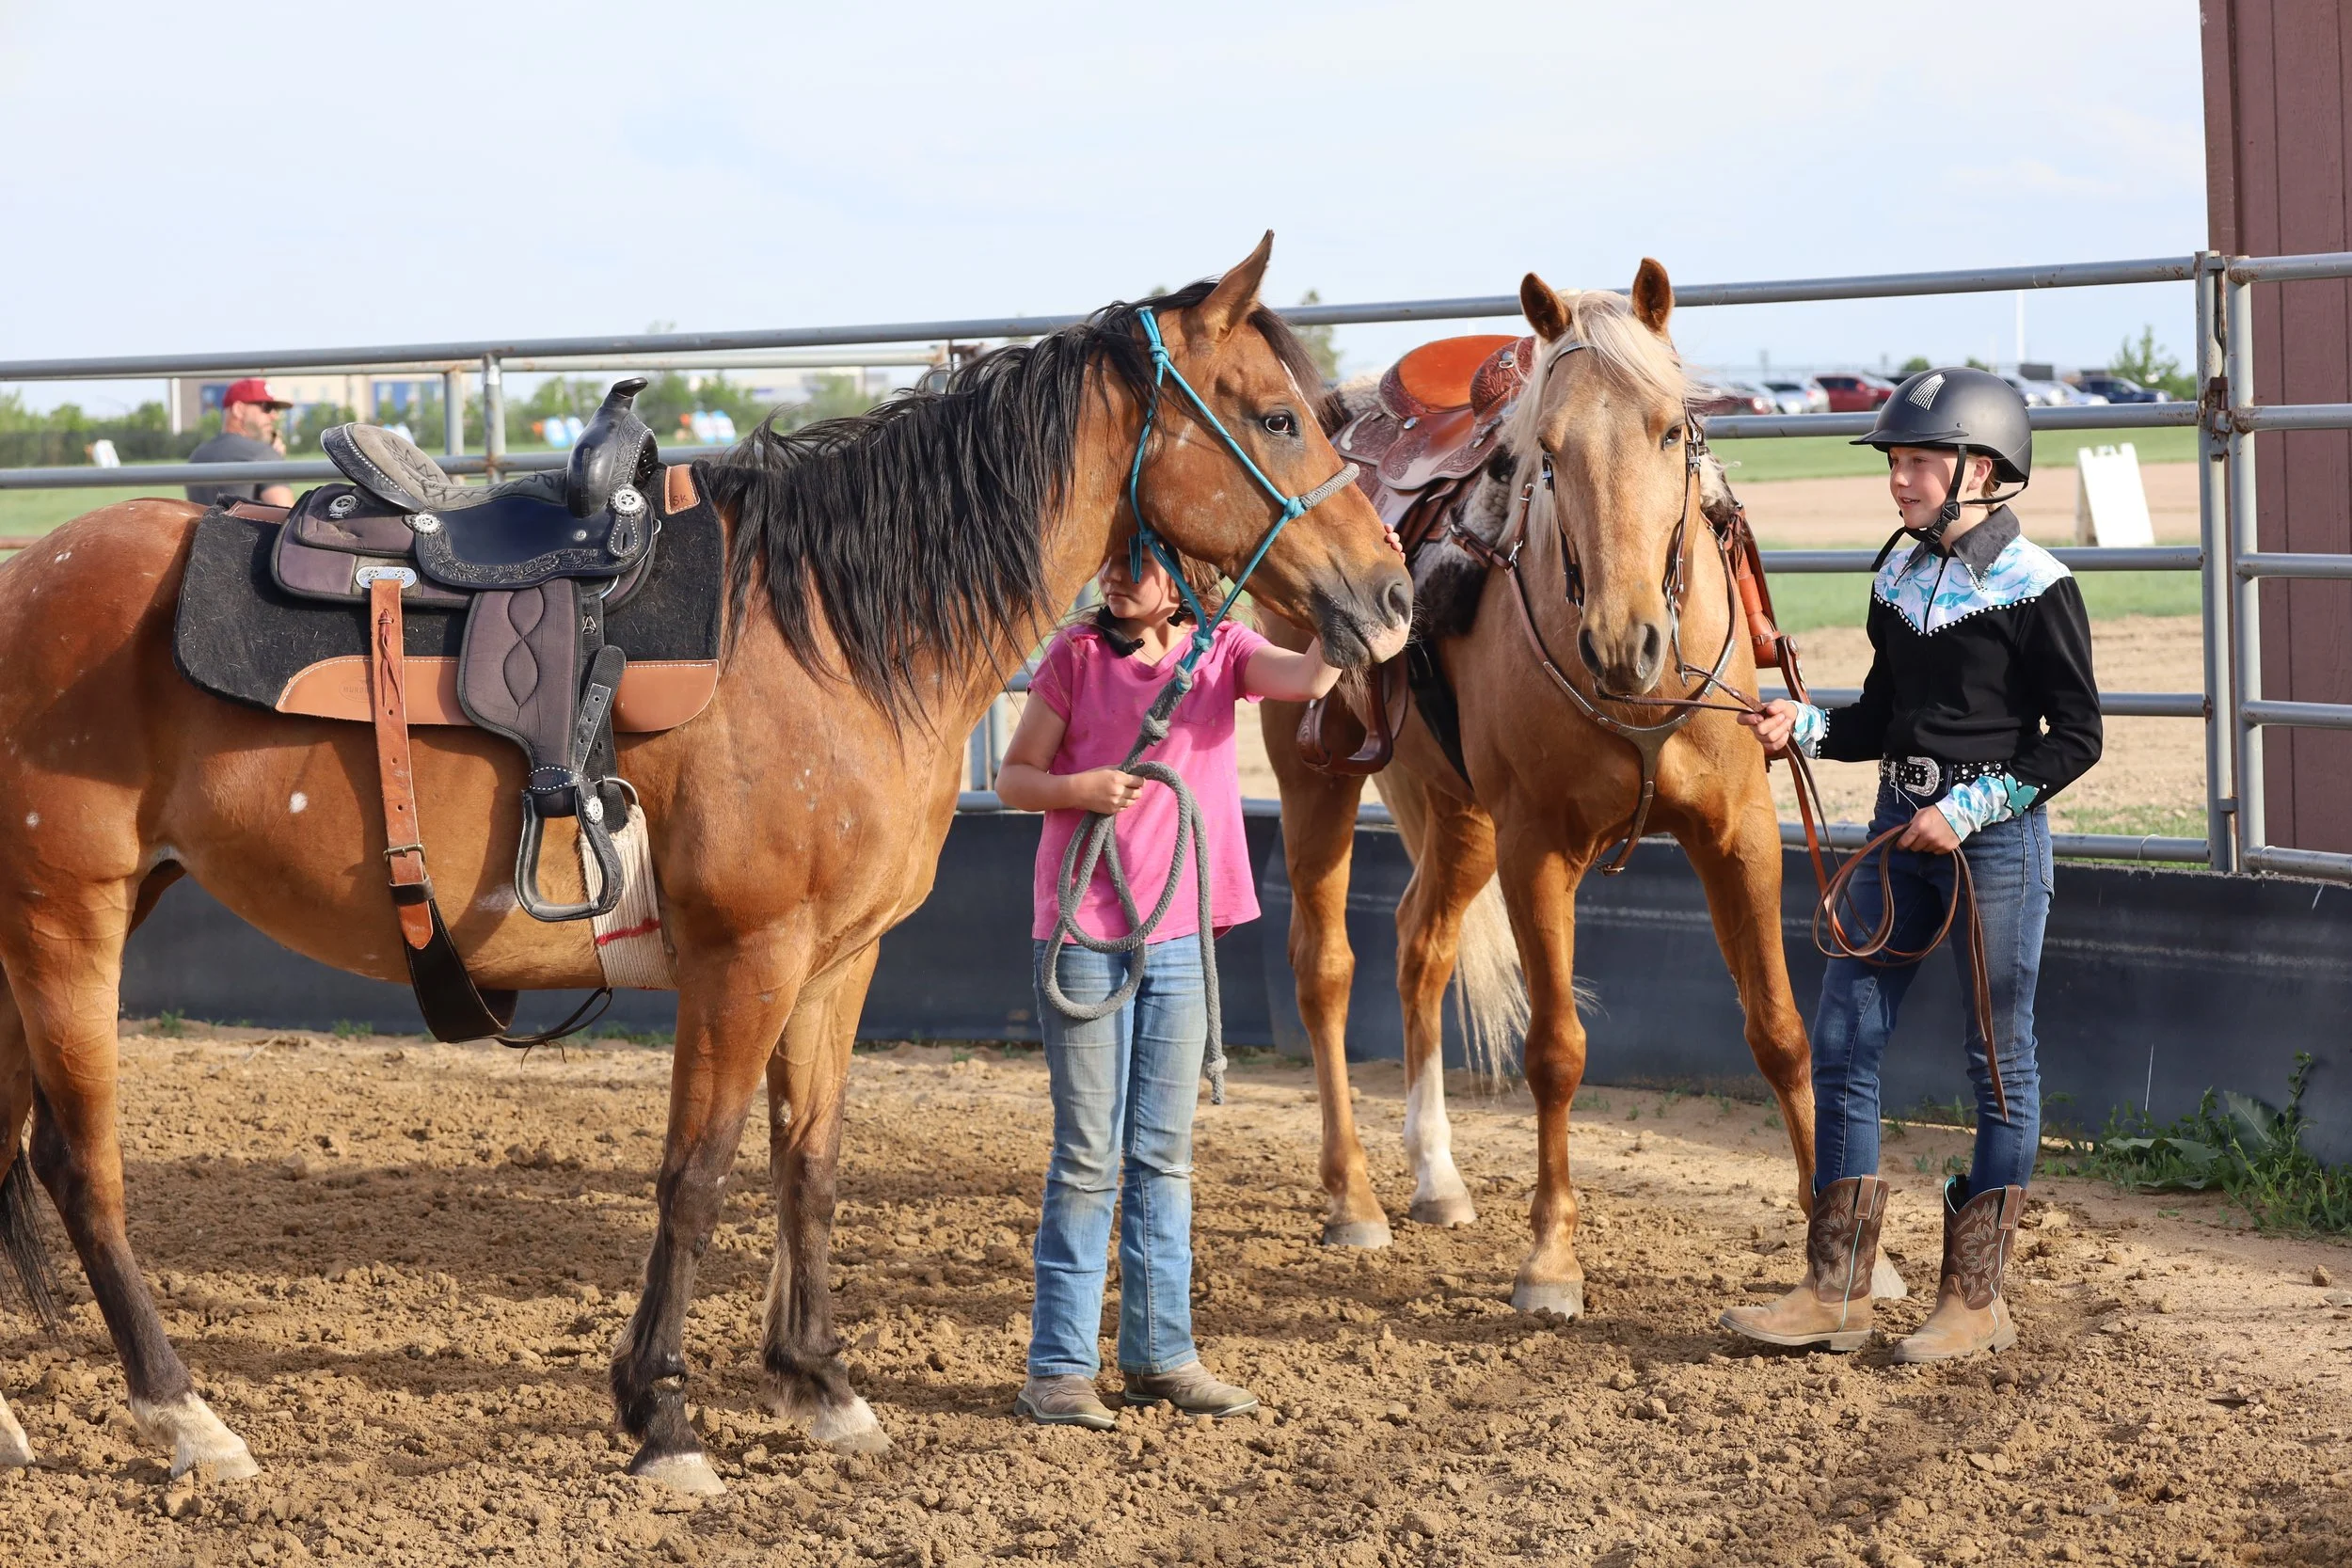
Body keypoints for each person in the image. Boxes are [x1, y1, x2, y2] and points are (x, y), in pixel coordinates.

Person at [1720, 367, 2101, 1362]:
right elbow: (1884, 720)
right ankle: (1835, 1288)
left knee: (1997, 1064)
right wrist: (1803, 727)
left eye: (1919, 461)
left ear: (1981, 470)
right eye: (1895, 460)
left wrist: (1971, 806)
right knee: (1843, 1039)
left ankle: (1974, 1301)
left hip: (1994, 849)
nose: (1899, 478)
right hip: (1898, 831)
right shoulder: (1897, 579)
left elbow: (2075, 738)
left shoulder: (2038, 587)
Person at [994, 532, 1396, 1430]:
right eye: (1112, 561)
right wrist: (1083, 788)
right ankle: (1058, 1368)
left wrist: (1354, 578)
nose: (1116, 575)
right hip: (1086, 932)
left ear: (1183, 584)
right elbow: (1013, 776)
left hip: (1180, 936)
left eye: (1137, 562)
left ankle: (1159, 1354)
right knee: (1090, 1157)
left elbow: (1318, 677)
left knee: (1164, 1157)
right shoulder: (1074, 656)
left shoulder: (1225, 654)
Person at [185, 378, 294, 508]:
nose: (274, 416)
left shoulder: (197, 456)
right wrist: (274, 461)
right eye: (266, 408)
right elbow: (289, 518)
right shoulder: (264, 454)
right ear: (238, 410)